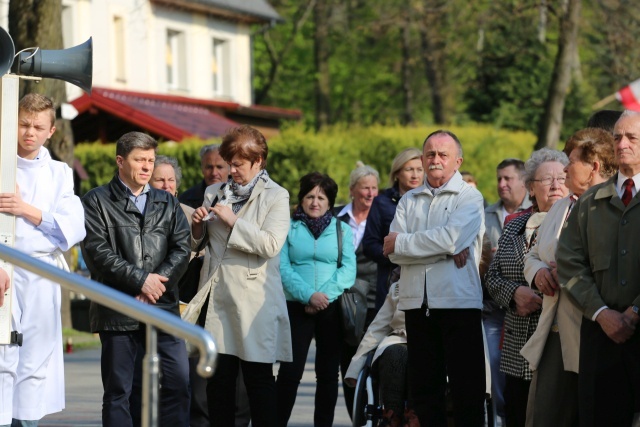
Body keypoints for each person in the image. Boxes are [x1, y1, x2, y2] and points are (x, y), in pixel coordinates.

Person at [182, 125, 291, 427]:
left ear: (258, 161)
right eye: (229, 163)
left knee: (258, 383)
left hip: (255, 301)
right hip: (218, 298)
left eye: (238, 164)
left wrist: (232, 221)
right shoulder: (213, 192)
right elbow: (198, 244)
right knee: (218, 384)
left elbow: (271, 244)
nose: (231, 171)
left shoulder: (277, 196)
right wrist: (197, 226)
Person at [81, 131, 191, 427]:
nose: (147, 167)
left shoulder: (166, 203)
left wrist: (156, 284)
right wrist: (141, 281)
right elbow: (98, 253)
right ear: (120, 161)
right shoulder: (96, 201)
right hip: (117, 310)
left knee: (179, 381)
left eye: (151, 161)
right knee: (121, 391)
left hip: (162, 307)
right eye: (139, 160)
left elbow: (182, 248)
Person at [383, 130, 486, 426]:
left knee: (468, 394)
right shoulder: (409, 199)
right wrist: (441, 249)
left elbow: (451, 240)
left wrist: (408, 243)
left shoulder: (470, 197)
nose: (435, 160)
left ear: (457, 161)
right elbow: (393, 254)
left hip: (459, 305)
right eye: (430, 154)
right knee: (425, 396)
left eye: (443, 154)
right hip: (417, 305)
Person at [0, 93, 86, 426]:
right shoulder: (2, 161)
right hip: (4, 268)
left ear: (51, 130)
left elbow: (73, 225)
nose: (29, 133)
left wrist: (27, 210)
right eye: (23, 124)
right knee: (3, 353)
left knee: (34, 357)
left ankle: (27, 422)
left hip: (40, 271)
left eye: (37, 126)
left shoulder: (60, 173)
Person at [521, 128, 616, 427]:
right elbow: (534, 254)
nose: (564, 169)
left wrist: (569, 270)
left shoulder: (618, 207)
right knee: (543, 416)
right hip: (553, 330)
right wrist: (537, 274)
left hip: (594, 330)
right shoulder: (561, 206)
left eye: (571, 160)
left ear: (594, 167)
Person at [556, 110, 640, 427]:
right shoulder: (590, 201)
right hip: (600, 333)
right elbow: (569, 262)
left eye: (632, 137)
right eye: (617, 137)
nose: (622, 144)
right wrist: (602, 313)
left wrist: (633, 312)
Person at [486, 148, 569, 427]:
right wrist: (514, 294)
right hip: (518, 348)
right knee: (518, 416)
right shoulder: (515, 225)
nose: (556, 185)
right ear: (531, 188)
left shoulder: (577, 222)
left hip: (559, 344)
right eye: (547, 180)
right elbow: (492, 278)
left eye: (562, 177)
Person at [276, 172, 356, 427]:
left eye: (321, 197)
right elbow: (282, 267)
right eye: (310, 196)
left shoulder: (343, 230)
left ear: (330, 202)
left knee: (328, 375)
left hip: (331, 309)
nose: (315, 202)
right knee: (290, 373)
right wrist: (308, 295)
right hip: (295, 307)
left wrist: (323, 297)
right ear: (301, 199)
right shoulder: (288, 227)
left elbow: (348, 270)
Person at [482, 157, 530, 422]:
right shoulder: (485, 214)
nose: (501, 184)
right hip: (493, 307)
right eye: (498, 178)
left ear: (523, 181)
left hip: (524, 307)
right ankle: (499, 418)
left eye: (508, 178)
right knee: (495, 364)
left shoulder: (535, 212)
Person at [335, 162, 379, 418]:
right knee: (348, 361)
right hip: (343, 300)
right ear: (352, 190)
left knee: (373, 361)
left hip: (374, 298)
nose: (370, 193)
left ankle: (374, 413)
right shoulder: (335, 218)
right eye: (365, 188)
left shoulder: (383, 218)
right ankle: (356, 417)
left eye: (374, 188)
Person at [362, 148, 424, 310]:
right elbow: (369, 244)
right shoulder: (381, 202)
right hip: (390, 280)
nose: (415, 175)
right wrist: (397, 255)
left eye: (419, 169)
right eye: (409, 169)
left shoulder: (431, 200)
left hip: (424, 279)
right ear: (397, 173)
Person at [179, 144, 229, 209]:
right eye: (209, 167)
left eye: (219, 167)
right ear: (202, 169)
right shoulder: (186, 200)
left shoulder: (242, 197)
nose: (214, 173)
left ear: (230, 169)